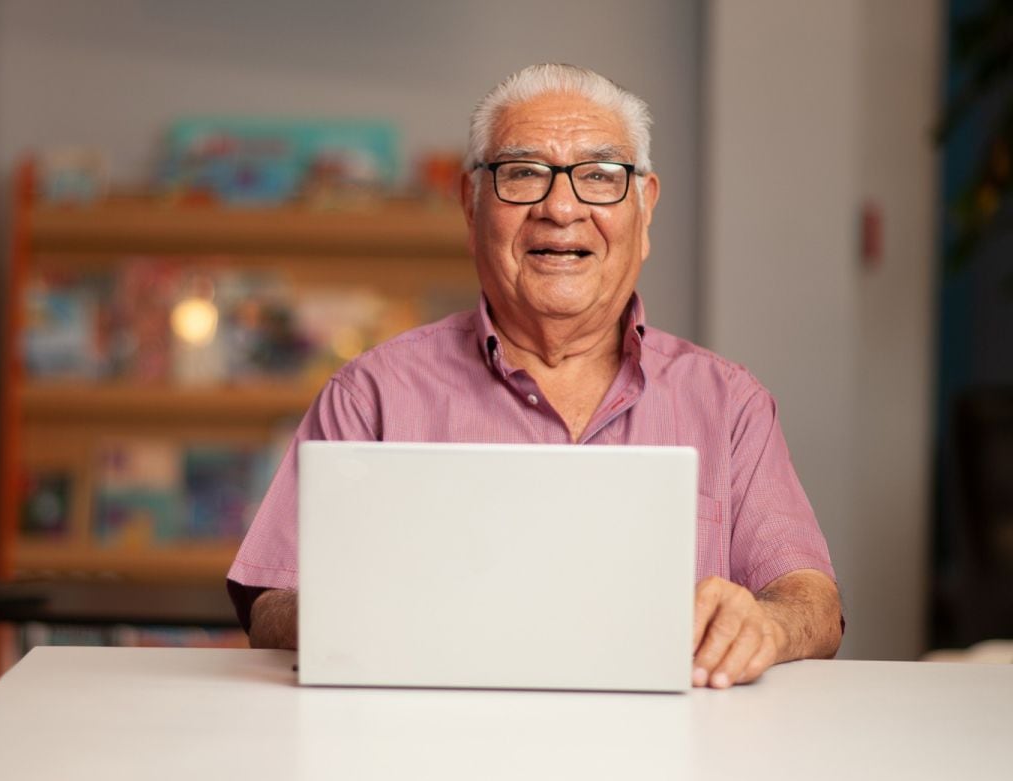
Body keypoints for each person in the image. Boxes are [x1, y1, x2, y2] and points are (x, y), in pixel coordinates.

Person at [227, 63, 842, 689]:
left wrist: (764, 625)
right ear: (471, 206)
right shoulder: (371, 395)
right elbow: (272, 604)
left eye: (600, 176)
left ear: (645, 207)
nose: (561, 207)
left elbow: (812, 604)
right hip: (432, 737)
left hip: (673, 741)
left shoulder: (730, 403)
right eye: (523, 173)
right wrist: (373, 611)